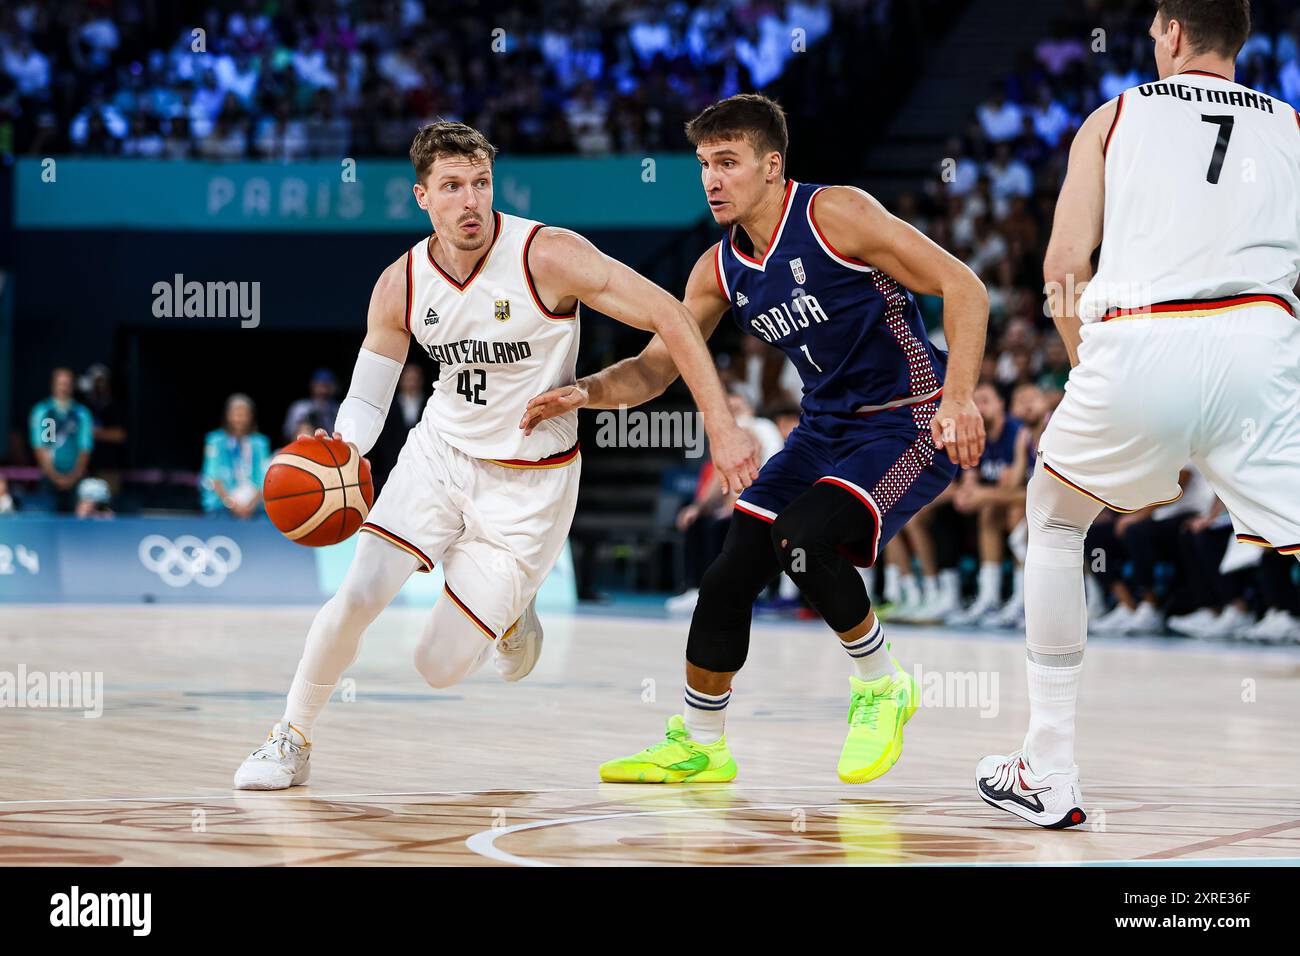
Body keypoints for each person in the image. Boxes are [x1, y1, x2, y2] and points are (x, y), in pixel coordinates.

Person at [234, 120, 758, 790]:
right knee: (357, 594)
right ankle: (291, 739)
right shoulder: (401, 284)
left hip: (529, 486)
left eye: (480, 183)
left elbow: (673, 317)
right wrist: (342, 451)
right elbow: (367, 400)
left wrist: (720, 423)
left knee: (437, 665)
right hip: (442, 455)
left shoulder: (549, 255)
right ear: (422, 195)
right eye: (452, 186)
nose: (471, 200)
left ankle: (515, 610)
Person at [523, 93, 988, 785]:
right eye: (705, 164)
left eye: (729, 162)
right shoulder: (718, 270)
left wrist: (959, 400)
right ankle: (703, 743)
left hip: (908, 420)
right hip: (824, 429)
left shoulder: (836, 214)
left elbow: (965, 286)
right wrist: (589, 390)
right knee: (729, 570)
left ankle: (883, 683)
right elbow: (656, 366)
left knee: (803, 540)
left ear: (772, 166)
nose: (712, 179)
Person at [978, 0, 1300, 828]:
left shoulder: (1114, 115)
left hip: (1142, 338)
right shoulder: (1293, 125)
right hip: (1262, 339)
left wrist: (1095, 372)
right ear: (1241, 39)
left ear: (1169, 32)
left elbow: (1062, 265)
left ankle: (1048, 766)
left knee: (1051, 523)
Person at [28, 367, 94, 514]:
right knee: (47, 524)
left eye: (67, 384)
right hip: (50, 480)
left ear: (72, 386)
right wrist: (55, 476)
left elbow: (85, 447)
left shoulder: (81, 413)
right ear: (53, 385)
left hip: (76, 480)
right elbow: (43, 446)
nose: (63, 388)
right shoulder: (46, 411)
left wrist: (73, 477)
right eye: (60, 383)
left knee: (77, 526)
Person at [200, 394, 272, 519]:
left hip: (255, 508)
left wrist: (252, 505)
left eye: (244, 414)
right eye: (236, 413)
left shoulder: (260, 443)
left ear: (250, 416)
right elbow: (212, 476)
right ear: (228, 415)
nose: (239, 419)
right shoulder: (215, 440)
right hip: (222, 508)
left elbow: (265, 478)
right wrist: (232, 504)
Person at [281, 368, 340, 443]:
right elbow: (288, 432)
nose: (323, 390)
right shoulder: (300, 407)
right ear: (312, 386)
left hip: (328, 449)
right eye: (320, 385)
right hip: (300, 447)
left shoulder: (337, 409)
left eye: (327, 386)